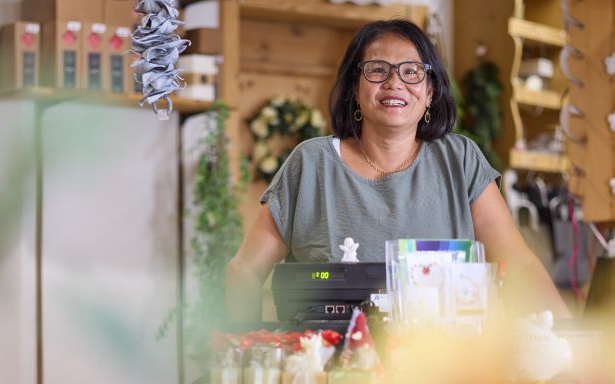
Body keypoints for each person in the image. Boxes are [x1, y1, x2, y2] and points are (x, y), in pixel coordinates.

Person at [226, 19, 570, 322]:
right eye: (377, 70)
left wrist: (572, 350)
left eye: (411, 71)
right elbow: (244, 271)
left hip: (441, 377)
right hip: (328, 378)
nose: (395, 82)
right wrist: (239, 357)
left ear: (430, 91)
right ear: (354, 89)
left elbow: (522, 268)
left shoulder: (460, 159)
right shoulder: (310, 163)